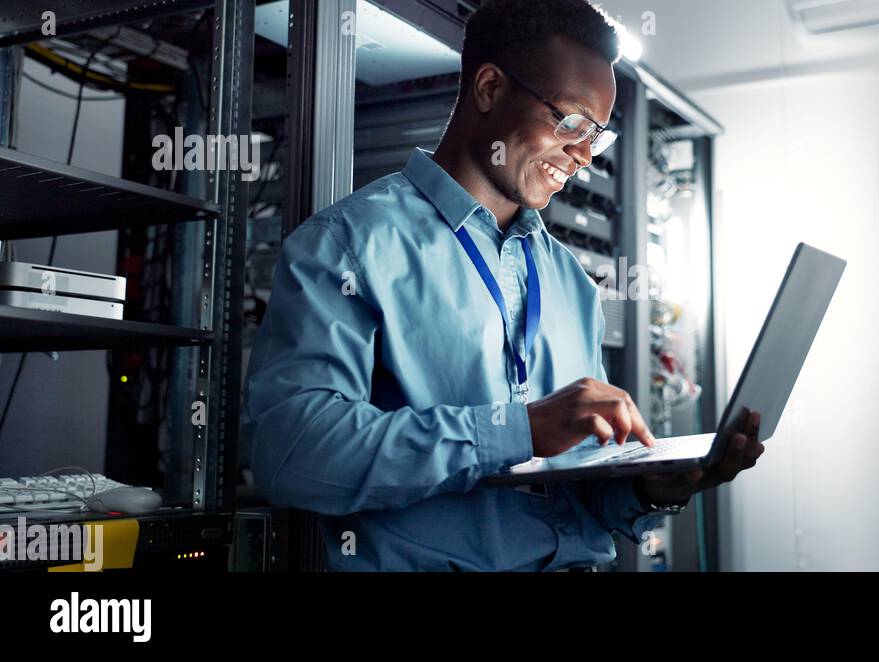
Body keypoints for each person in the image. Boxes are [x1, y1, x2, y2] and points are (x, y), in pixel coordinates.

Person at [243, 0, 764, 571]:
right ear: (489, 89)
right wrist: (517, 431)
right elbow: (291, 451)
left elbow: (580, 485)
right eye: (570, 123)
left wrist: (663, 485)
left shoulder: (571, 283)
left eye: (597, 137)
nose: (584, 156)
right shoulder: (349, 245)